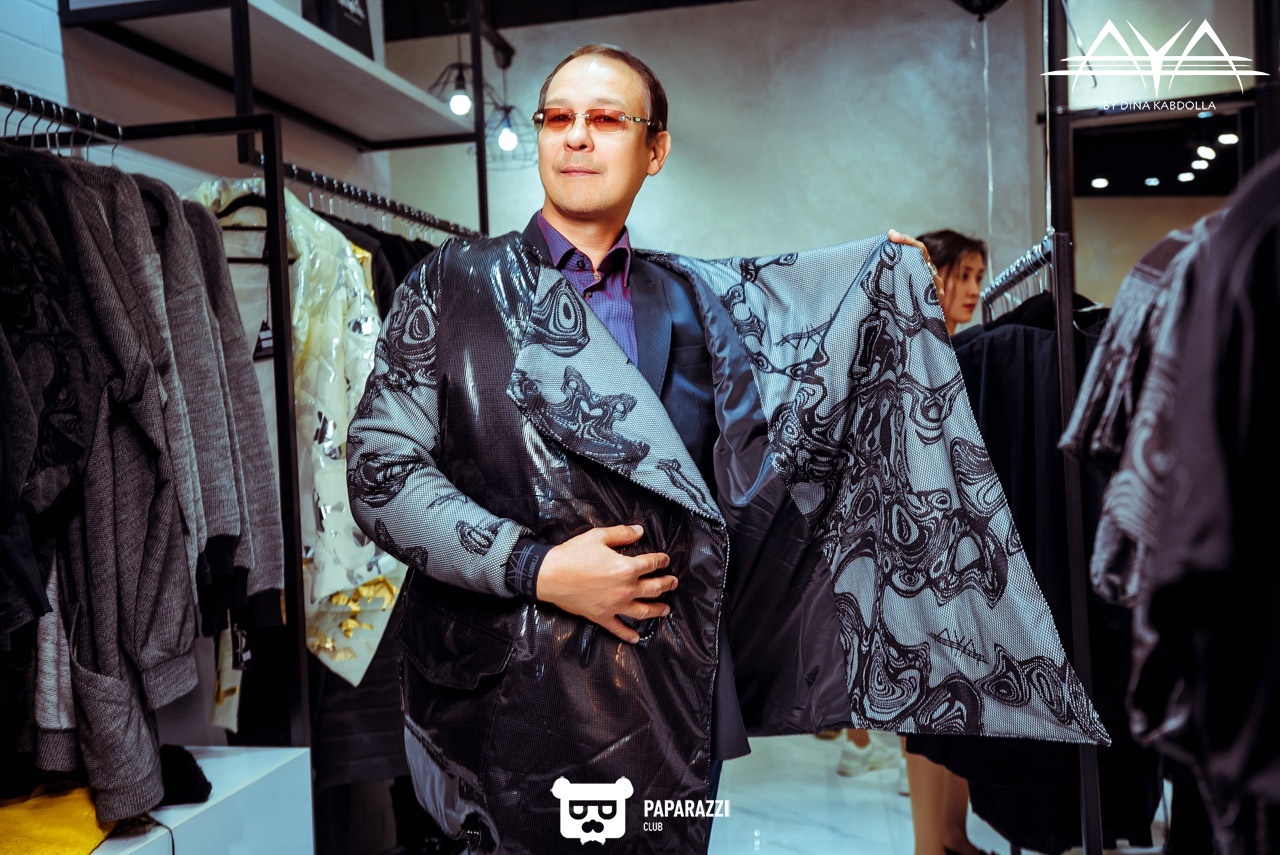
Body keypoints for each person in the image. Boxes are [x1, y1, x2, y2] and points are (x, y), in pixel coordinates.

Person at [346, 44, 1103, 854]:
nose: (576, 136)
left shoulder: (697, 300)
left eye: (606, 119)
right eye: (557, 117)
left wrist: (883, 286)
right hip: (500, 708)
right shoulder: (454, 282)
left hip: (671, 703)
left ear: (655, 149)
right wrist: (539, 567)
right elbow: (379, 470)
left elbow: (784, 425)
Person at [904, 228, 992, 855]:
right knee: (928, 703)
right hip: (919, 546)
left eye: (978, 278)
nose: (972, 289)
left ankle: (952, 836)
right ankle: (929, 845)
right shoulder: (917, 348)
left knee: (959, 698)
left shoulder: (969, 353)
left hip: (956, 549)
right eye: (962, 275)